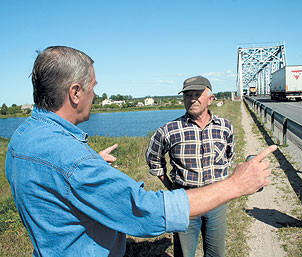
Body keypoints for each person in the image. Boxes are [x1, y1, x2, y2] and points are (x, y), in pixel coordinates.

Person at [5, 46, 277, 257]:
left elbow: (54, 177)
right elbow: (146, 211)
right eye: (93, 87)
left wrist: (86, 166)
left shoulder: (24, 137)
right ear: (75, 92)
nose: (95, 95)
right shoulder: (72, 162)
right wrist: (236, 184)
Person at [145, 75, 234, 257]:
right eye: (187, 95)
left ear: (210, 99)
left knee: (217, 252)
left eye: (197, 94)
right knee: (184, 253)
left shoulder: (225, 127)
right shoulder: (169, 130)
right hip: (185, 201)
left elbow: (229, 157)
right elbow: (153, 158)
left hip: (217, 199)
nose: (192, 99)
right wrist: (170, 186)